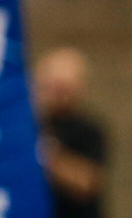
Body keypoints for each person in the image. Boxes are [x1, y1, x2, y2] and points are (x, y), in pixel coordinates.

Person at [35, 47, 107, 218]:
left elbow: (88, 183)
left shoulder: (89, 131)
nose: (59, 95)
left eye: (64, 88)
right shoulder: (31, 126)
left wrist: (47, 155)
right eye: (53, 86)